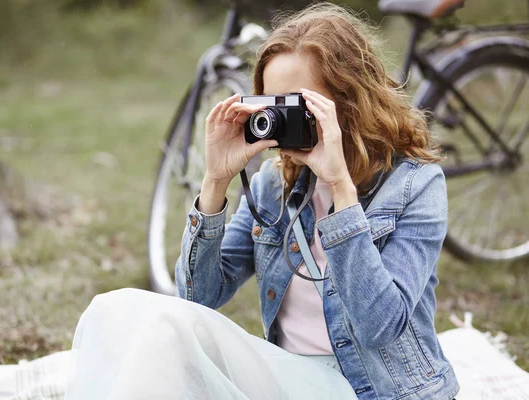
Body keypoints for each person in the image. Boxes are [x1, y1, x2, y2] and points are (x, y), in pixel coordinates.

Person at [65, 4, 460, 399]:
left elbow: (380, 325)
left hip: (377, 390)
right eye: (274, 103)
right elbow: (195, 300)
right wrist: (215, 179)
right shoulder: (275, 184)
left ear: (350, 100)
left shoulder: (415, 186)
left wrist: (340, 185)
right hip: (290, 379)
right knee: (123, 313)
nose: (282, 119)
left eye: (298, 104)